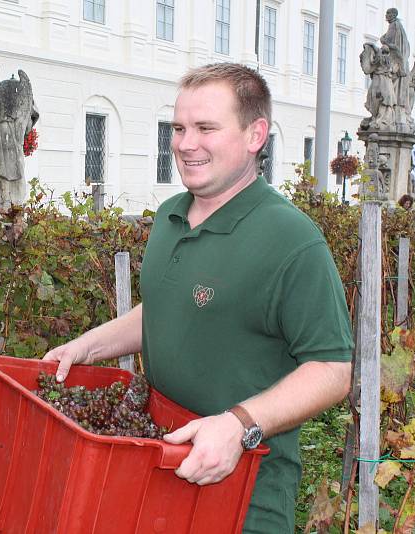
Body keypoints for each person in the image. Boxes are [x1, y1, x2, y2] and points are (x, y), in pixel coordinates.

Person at [43, 63, 353, 533]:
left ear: (255, 135)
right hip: (155, 469)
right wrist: (85, 347)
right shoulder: (170, 215)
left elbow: (332, 370)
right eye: (179, 128)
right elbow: (167, 306)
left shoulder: (291, 240)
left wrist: (238, 424)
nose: (186, 143)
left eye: (206, 128)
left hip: (240, 493)